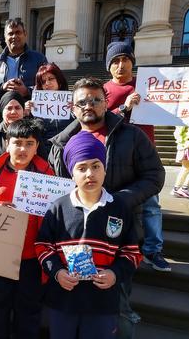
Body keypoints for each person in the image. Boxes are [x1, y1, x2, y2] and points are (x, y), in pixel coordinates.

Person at [48, 77, 165, 338]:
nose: (89, 105)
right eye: (82, 102)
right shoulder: (60, 143)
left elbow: (155, 175)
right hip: (73, 237)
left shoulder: (131, 135)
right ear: (72, 108)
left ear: (106, 102)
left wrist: (120, 200)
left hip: (117, 233)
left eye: (95, 100)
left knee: (119, 305)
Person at [36, 131, 141, 339]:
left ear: (105, 169)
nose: (89, 174)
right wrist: (57, 272)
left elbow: (132, 252)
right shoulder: (58, 208)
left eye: (95, 166)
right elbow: (42, 246)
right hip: (63, 300)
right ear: (71, 173)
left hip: (102, 303)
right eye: (81, 168)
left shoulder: (119, 208)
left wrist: (115, 274)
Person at [0, 117, 54, 339]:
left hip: (32, 259)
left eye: (29, 143)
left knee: (28, 315)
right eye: (17, 142)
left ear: (37, 146)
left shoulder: (47, 175)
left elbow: (56, 215)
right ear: (7, 144)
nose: (23, 148)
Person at [102, 42, 170, 274]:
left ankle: (153, 250)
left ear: (133, 61)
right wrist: (123, 108)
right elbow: (97, 118)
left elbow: (180, 103)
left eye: (125, 60)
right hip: (115, 157)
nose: (121, 65)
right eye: (115, 61)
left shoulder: (148, 85)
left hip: (145, 153)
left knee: (151, 204)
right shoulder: (103, 90)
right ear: (109, 66)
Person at [0, 17, 47, 103]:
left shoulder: (39, 59)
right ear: (5, 37)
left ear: (25, 34)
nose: (14, 36)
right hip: (1, 111)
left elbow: (48, 86)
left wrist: (27, 91)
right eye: (10, 33)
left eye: (18, 32)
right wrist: (1, 87)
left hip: (29, 111)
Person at [29, 63, 73, 159]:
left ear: (59, 81)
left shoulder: (73, 102)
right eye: (43, 82)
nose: (47, 83)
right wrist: (25, 114)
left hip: (69, 152)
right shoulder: (34, 106)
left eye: (51, 79)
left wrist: (77, 110)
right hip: (45, 154)